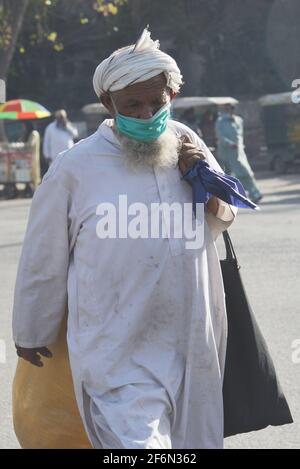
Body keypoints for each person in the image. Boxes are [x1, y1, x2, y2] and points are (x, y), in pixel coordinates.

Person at [13, 28, 237, 449]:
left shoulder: (188, 141)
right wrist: (31, 329)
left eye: (158, 101)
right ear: (108, 104)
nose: (148, 113)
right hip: (117, 351)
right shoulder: (75, 168)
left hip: (193, 342)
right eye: (133, 105)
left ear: (171, 95)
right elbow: (43, 257)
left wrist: (206, 182)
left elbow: (225, 216)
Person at [215, 103, 262, 203]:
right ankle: (226, 197)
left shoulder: (239, 120)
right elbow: (220, 136)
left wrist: (239, 145)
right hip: (226, 153)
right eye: (227, 108)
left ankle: (255, 194)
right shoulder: (220, 121)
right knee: (226, 176)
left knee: (245, 173)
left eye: (232, 108)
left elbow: (240, 136)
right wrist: (230, 144)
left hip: (238, 152)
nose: (230, 110)